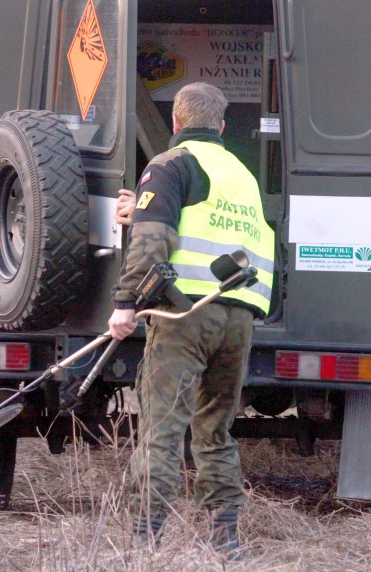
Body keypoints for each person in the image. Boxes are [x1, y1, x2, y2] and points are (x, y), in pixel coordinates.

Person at [108, 82, 275, 558]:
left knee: (161, 431)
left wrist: (125, 304)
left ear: (176, 124)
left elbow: (152, 243)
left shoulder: (169, 164)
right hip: (238, 318)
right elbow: (204, 226)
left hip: (185, 316)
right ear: (221, 126)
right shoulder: (242, 174)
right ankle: (227, 544)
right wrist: (137, 211)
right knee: (214, 432)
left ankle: (143, 547)